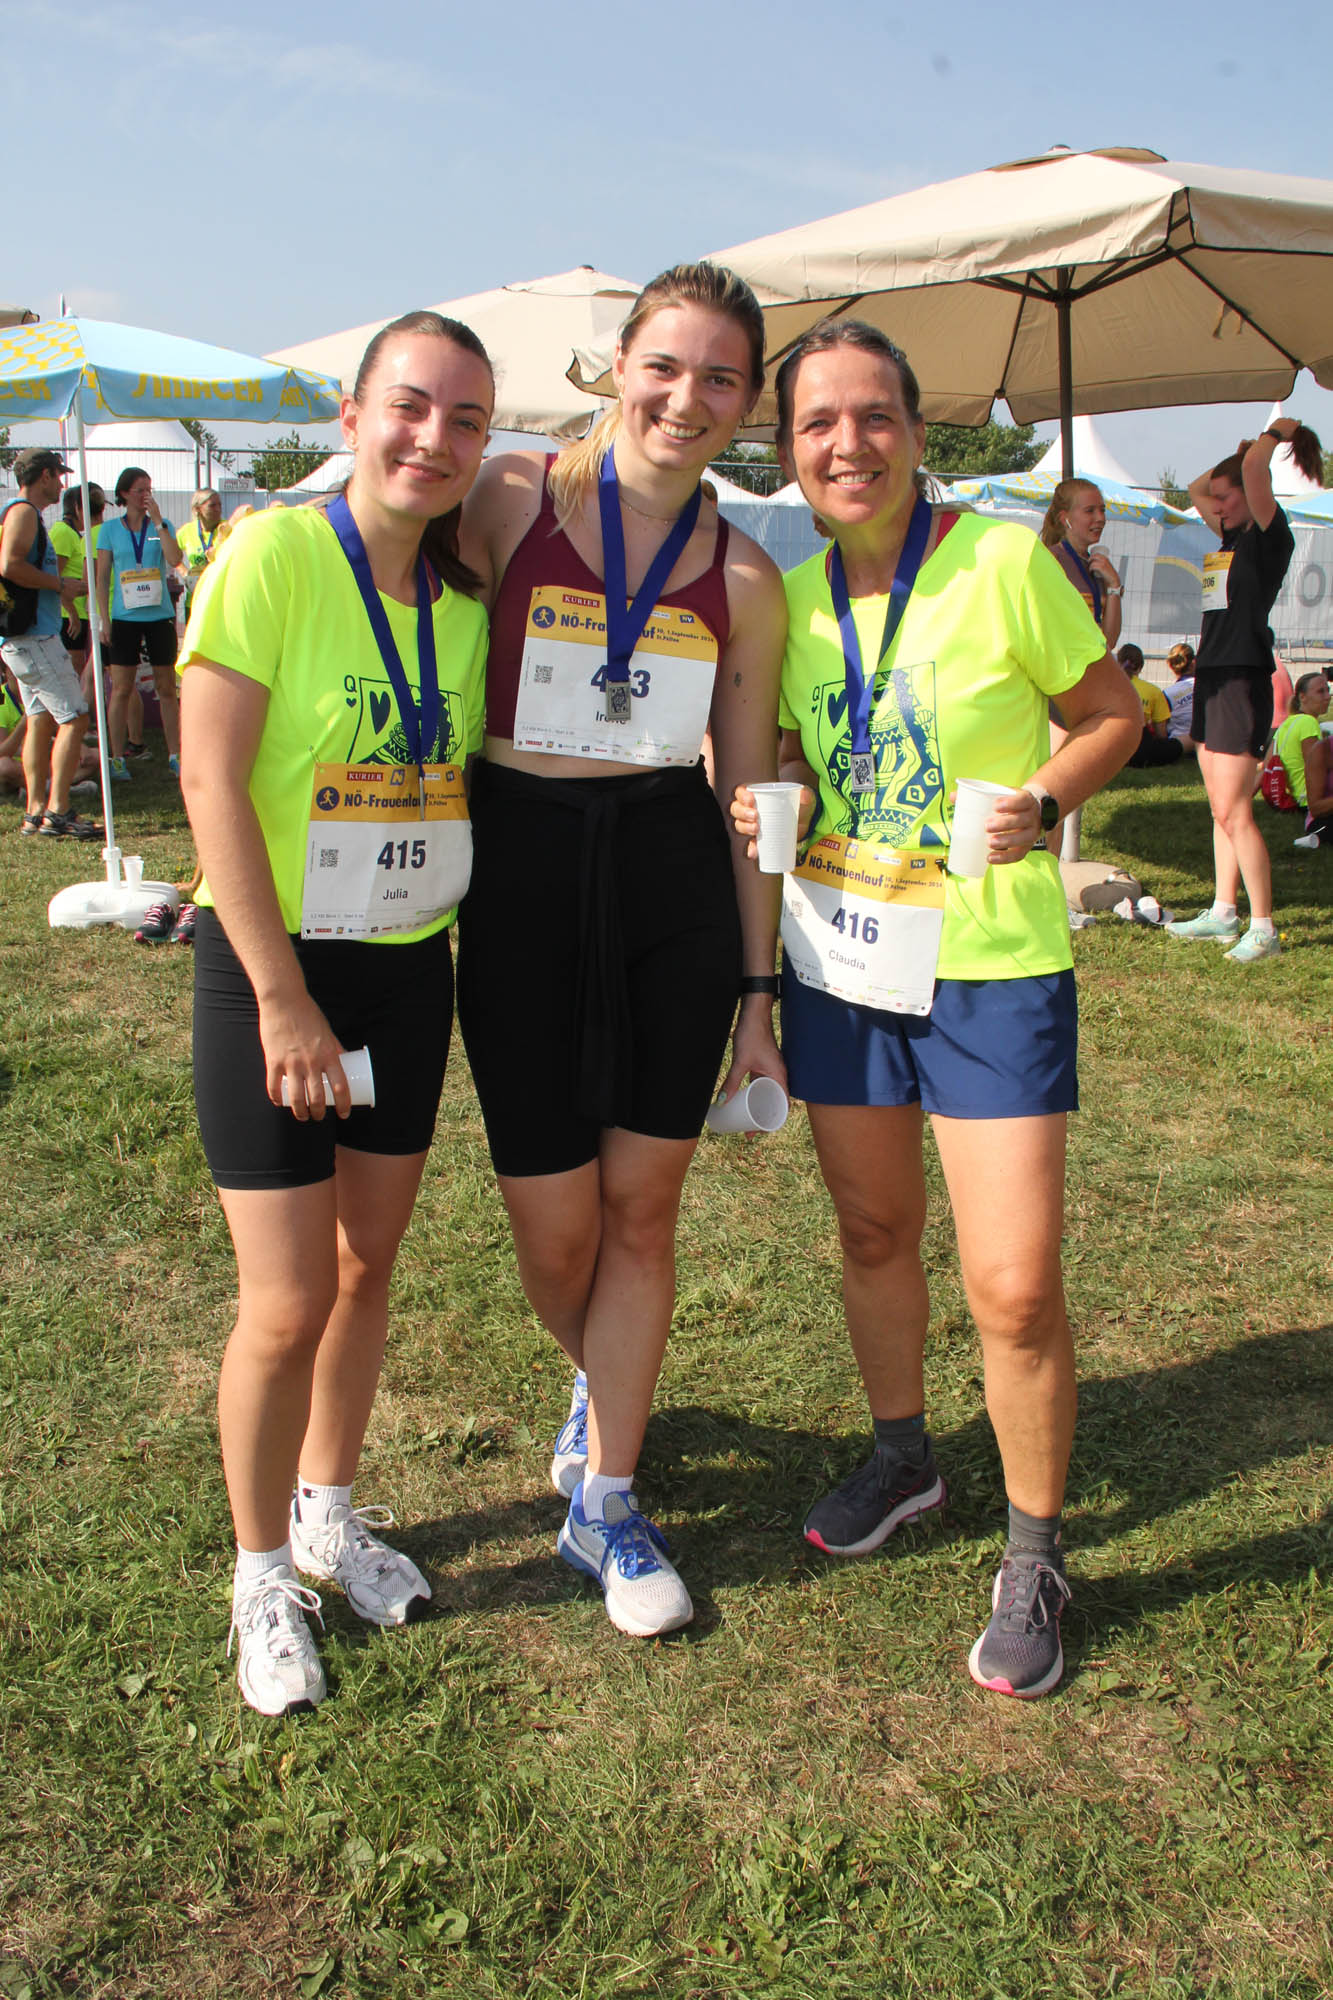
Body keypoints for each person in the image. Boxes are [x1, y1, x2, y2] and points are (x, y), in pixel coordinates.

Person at [731, 319, 1140, 1698]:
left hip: (990, 963)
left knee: (1013, 1284)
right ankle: (903, 1455)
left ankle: (1034, 1550)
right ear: (787, 452)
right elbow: (803, 750)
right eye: (816, 423)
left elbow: (1111, 713)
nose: (847, 443)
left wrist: (1045, 799)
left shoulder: (1003, 563)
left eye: (873, 416)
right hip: (846, 960)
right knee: (871, 1229)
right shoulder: (787, 598)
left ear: (916, 431)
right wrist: (776, 794)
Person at [457, 263, 787, 1639]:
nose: (685, 398)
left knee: (643, 1212)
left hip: (669, 885)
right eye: (665, 365)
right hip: (520, 872)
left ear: (747, 403)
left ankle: (607, 1501)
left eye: (720, 377)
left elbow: (747, 790)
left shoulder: (746, 574)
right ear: (616, 366)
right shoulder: (509, 498)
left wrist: (758, 994)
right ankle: (600, 1375)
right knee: (556, 1227)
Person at [177, 310, 494, 1716]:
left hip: (406, 968)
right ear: (353, 416)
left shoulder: (463, 608)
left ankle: (327, 1512)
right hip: (273, 969)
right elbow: (210, 782)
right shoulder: (272, 554)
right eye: (410, 406)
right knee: (287, 1297)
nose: (435, 438)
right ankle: (260, 1572)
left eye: (465, 419)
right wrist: (282, 998)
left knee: (366, 1271)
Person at [1165, 418, 1321, 963]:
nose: (1216, 505)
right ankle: (1223, 912)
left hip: (1240, 678)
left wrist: (1273, 435)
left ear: (1253, 497)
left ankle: (1264, 928)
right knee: (1220, 808)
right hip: (1212, 676)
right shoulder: (1229, 539)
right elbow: (1194, 487)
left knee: (1235, 810)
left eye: (1227, 497)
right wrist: (1233, 461)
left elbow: (1255, 469)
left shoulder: (1269, 538)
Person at [0, 446, 101, 839]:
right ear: (44, 475)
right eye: (58, 476)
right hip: (35, 638)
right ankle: (58, 811)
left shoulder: (21, 513)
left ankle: (35, 811)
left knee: (40, 721)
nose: (61, 485)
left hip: (24, 639)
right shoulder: (24, 512)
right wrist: (60, 585)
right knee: (74, 718)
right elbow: (10, 564)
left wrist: (61, 594)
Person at [96, 467, 183, 781]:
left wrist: (159, 522)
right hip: (124, 618)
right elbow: (102, 577)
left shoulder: (161, 525)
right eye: (140, 490)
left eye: (149, 489)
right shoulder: (109, 530)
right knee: (121, 688)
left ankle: (175, 755)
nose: (146, 495)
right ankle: (117, 757)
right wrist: (104, 620)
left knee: (166, 688)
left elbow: (174, 559)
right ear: (124, 494)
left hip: (159, 616)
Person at [1039, 479, 1124, 651]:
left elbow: (1109, 641)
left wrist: (1114, 585)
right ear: (1065, 518)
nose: (1100, 518)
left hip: (1092, 662)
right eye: (1089, 511)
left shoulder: (1098, 566)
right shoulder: (1050, 559)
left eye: (1102, 510)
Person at [1275, 671, 1333, 849]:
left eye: (1328, 690)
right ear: (1302, 697)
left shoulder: (1287, 723)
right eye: (1320, 692)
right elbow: (1314, 765)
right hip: (1307, 800)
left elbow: (1268, 764)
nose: (1327, 696)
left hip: (1292, 797)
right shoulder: (1308, 723)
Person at [1119, 643, 1182, 767]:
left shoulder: (1107, 687)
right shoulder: (1154, 691)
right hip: (1139, 750)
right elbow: (1161, 734)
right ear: (1140, 666)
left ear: (1118, 663)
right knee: (1179, 743)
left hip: (1112, 746)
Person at [177, 488, 223, 617]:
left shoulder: (227, 528)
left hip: (221, 598)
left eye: (219, 505)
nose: (218, 509)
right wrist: (185, 574)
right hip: (195, 600)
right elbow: (172, 556)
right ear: (198, 509)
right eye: (212, 505)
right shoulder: (187, 531)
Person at [1163, 642, 1196, 755]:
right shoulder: (1208, 686)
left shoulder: (1167, 693)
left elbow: (1160, 725)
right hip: (1206, 743)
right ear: (1193, 663)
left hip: (1178, 744)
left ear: (1170, 666)